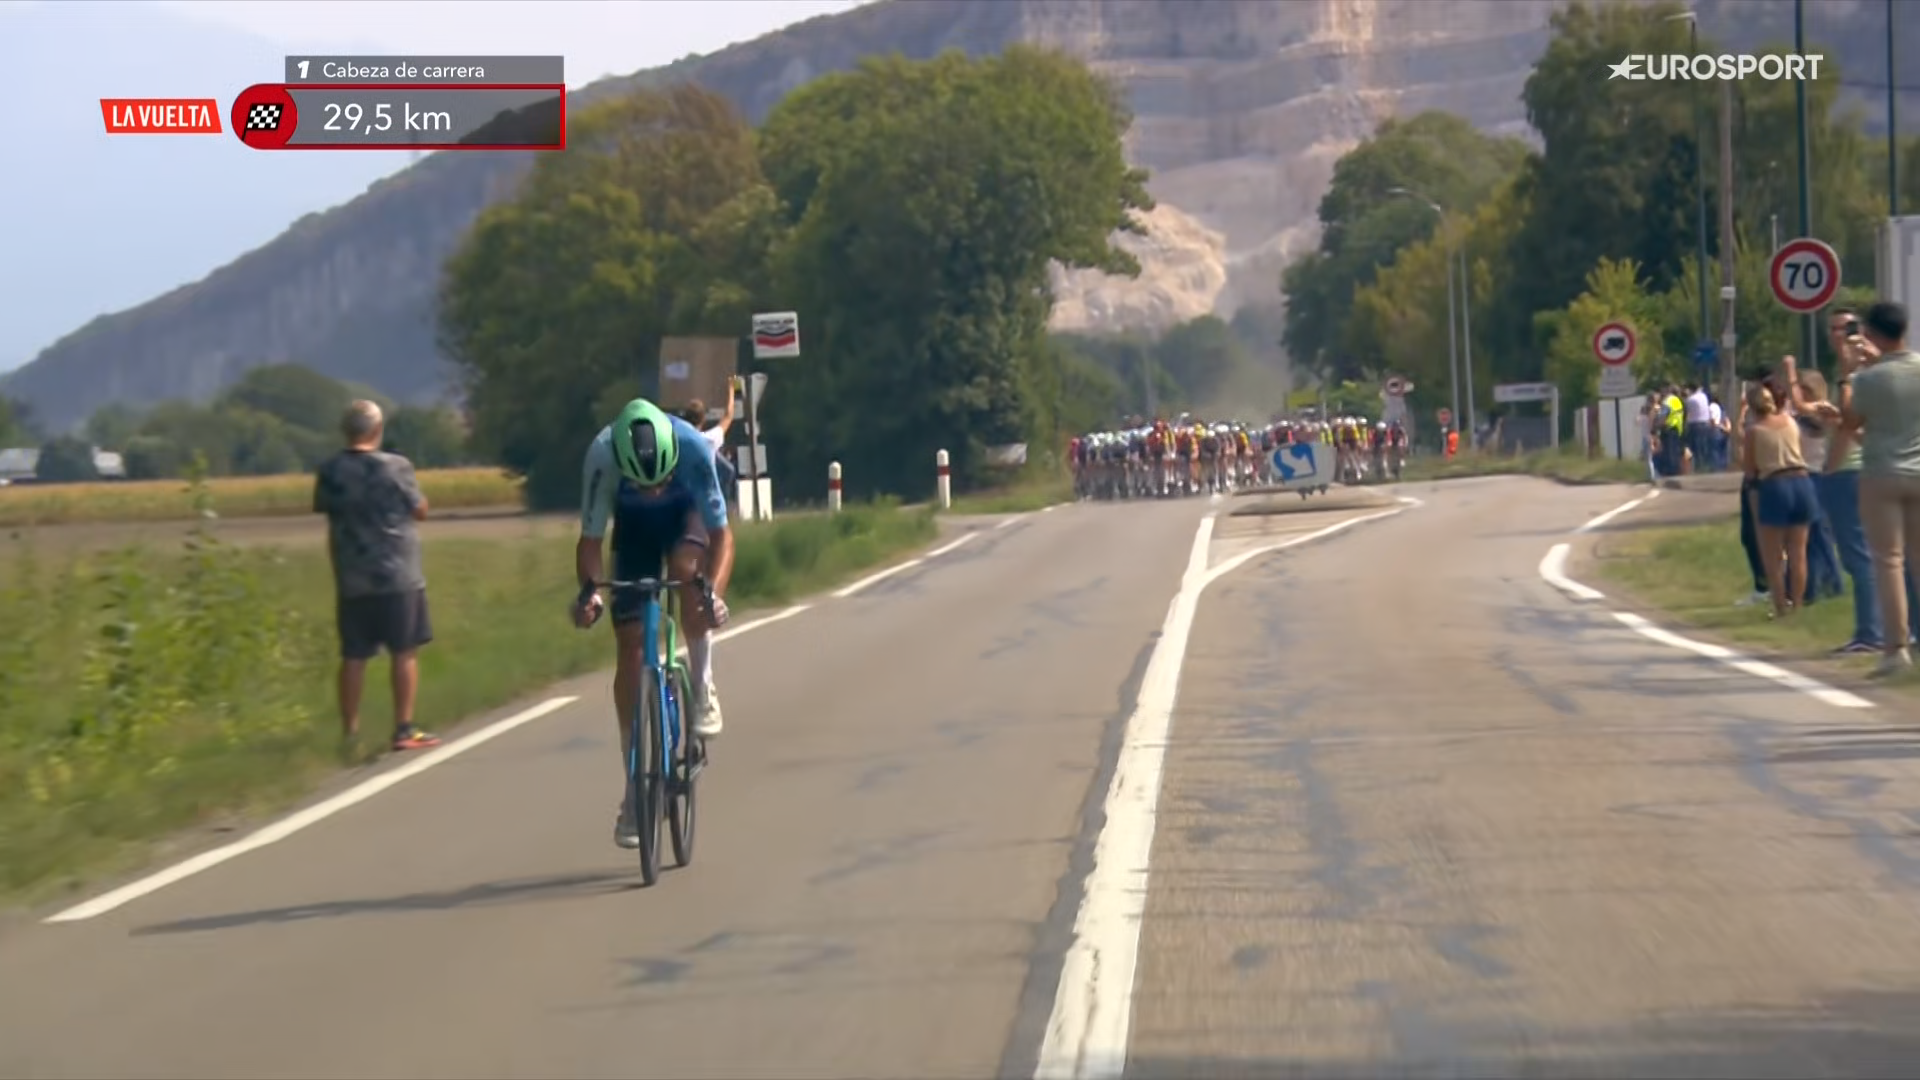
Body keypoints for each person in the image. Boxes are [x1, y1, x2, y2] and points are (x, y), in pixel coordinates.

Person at [572, 398, 734, 848]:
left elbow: (722, 536)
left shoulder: (693, 448)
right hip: (635, 531)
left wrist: (714, 595)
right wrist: (591, 594)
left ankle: (702, 684)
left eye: (660, 480)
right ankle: (634, 788)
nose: (654, 491)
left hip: (686, 517)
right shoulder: (602, 455)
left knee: (686, 574)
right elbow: (590, 542)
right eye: (643, 484)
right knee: (629, 647)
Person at [312, 400, 441, 752]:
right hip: (397, 572)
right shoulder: (396, 467)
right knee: (404, 650)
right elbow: (420, 509)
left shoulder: (330, 470)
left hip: (352, 575)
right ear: (376, 429)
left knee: (354, 655)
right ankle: (403, 728)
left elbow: (325, 506)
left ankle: (350, 733)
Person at [1841, 301, 1920, 677]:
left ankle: (1896, 649)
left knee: (1889, 560)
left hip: (1881, 472)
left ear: (1871, 334)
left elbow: (1851, 419)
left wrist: (1850, 371)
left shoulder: (1868, 379)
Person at [1742, 382, 1816, 620]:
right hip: (1802, 482)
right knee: (1798, 553)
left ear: (1751, 407)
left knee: (1772, 555)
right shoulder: (1790, 422)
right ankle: (1798, 605)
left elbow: (1750, 470)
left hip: (1774, 485)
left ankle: (1780, 606)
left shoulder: (1754, 431)